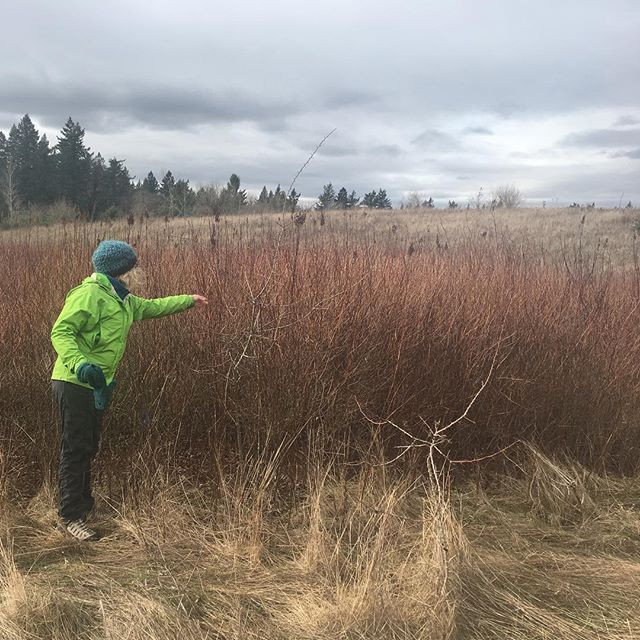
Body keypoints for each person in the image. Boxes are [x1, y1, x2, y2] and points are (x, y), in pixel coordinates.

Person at [51, 240, 207, 541]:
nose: (139, 271)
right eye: (134, 267)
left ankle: (84, 507)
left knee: (89, 446)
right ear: (121, 271)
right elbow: (61, 331)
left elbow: (153, 307)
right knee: (76, 448)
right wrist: (80, 364)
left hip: (98, 386)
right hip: (73, 382)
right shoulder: (89, 295)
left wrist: (188, 300)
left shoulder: (123, 300)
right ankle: (70, 517)